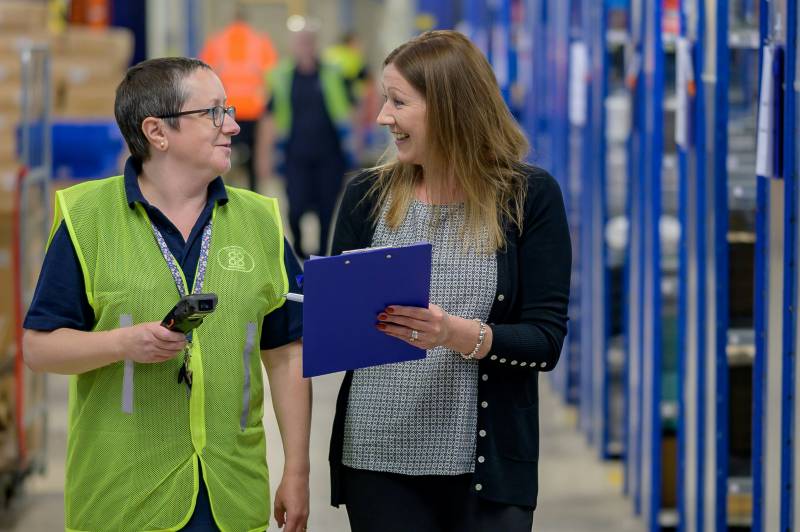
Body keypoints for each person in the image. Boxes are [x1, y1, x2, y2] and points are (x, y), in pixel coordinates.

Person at [22, 57, 310, 532]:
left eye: (230, 110)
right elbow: (38, 347)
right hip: (123, 498)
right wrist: (122, 343)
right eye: (214, 113)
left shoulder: (260, 220)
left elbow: (286, 353)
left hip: (231, 493)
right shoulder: (87, 218)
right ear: (157, 131)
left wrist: (296, 470)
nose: (234, 125)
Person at [328, 30, 571, 532]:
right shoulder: (366, 197)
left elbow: (545, 341)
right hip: (378, 457)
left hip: (486, 467)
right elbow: (338, 332)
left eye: (397, 101)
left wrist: (457, 334)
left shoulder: (528, 198)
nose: (382, 117)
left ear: (448, 107)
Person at [256, 27, 352, 259]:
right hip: (295, 155)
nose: (305, 46)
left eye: (309, 41)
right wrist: (264, 157)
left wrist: (355, 145)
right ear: (293, 46)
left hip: (329, 154)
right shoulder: (282, 76)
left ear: (315, 44)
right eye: (301, 42)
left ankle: (321, 256)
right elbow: (268, 119)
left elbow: (351, 109)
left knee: (327, 209)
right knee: (296, 206)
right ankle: (299, 246)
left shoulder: (331, 73)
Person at [199, 4, 278, 192]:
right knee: (252, 159)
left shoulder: (216, 41)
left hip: (225, 111)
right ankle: (252, 193)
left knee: (223, 153)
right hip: (253, 109)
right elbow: (272, 76)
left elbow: (202, 74)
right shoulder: (260, 41)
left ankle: (223, 192)